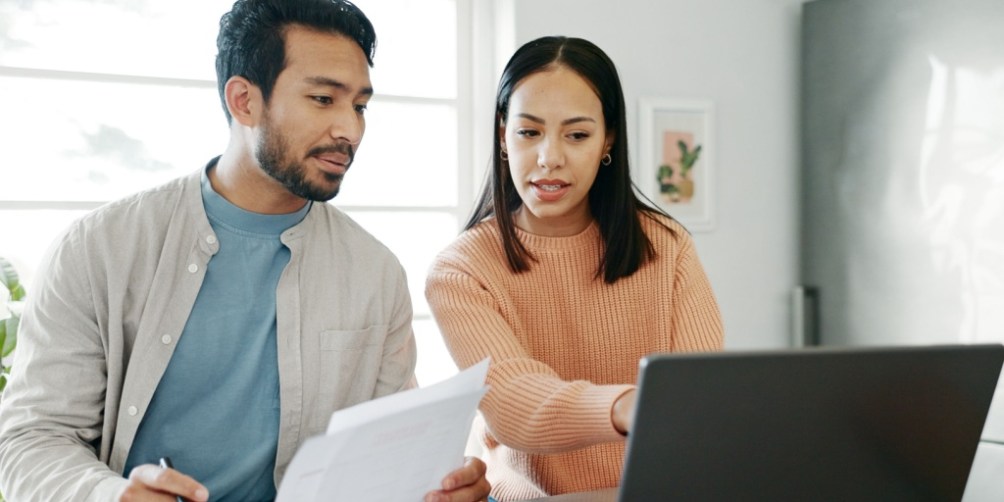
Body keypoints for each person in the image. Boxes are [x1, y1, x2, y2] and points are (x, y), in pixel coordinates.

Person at [0, 1, 490, 501]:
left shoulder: (375, 272)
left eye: (360, 106)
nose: (350, 129)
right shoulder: (98, 250)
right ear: (244, 100)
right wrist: (110, 496)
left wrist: (438, 485)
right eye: (324, 99)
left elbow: (387, 453)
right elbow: (30, 439)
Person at [425, 36, 725, 500]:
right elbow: (514, 405)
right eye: (528, 132)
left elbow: (698, 398)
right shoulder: (461, 271)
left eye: (577, 134)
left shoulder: (667, 247)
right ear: (503, 135)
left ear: (608, 139)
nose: (549, 157)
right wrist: (628, 405)